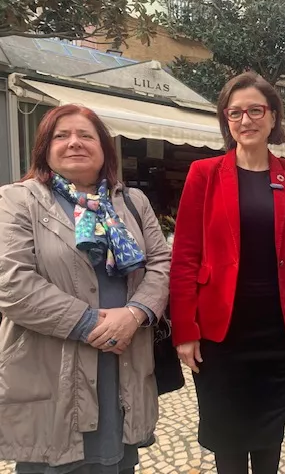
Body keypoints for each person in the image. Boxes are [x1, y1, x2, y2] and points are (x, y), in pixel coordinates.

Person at [0, 104, 171, 473]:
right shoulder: (17, 200)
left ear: (104, 148)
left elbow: (161, 264)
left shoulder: (132, 202)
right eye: (62, 136)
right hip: (51, 368)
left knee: (116, 460)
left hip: (121, 365)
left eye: (85, 135)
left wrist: (135, 313)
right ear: (45, 148)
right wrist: (90, 323)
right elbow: (11, 281)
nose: (74, 143)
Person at [170, 72, 285, 474]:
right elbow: (185, 254)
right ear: (226, 119)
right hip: (221, 332)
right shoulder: (204, 173)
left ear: (273, 118)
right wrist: (184, 329)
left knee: (270, 436)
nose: (246, 120)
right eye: (235, 112)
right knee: (229, 439)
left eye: (256, 110)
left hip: (277, 330)